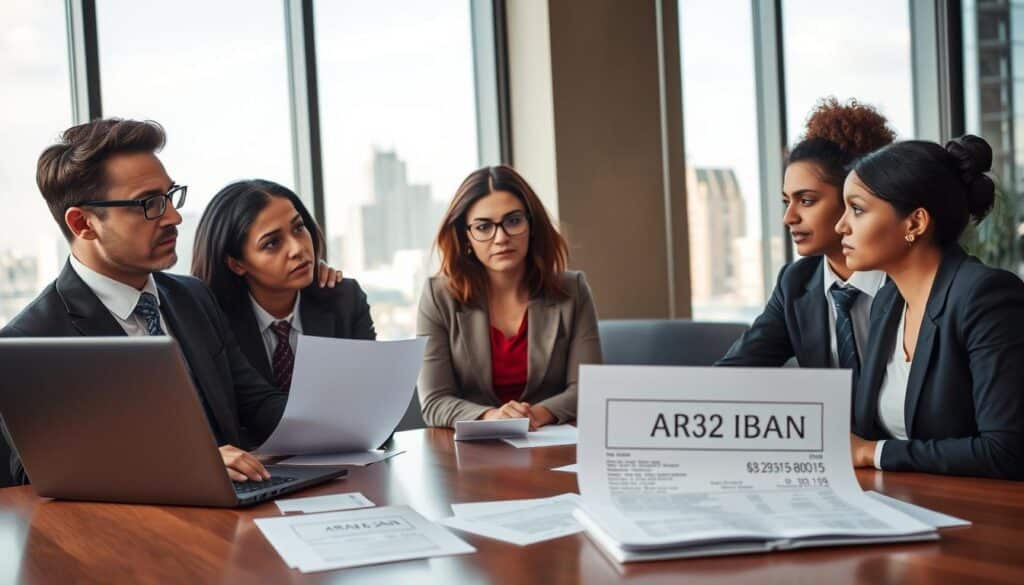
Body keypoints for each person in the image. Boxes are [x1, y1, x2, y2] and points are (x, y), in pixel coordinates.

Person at [0, 119, 282, 485]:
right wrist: (185, 464)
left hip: (237, 513)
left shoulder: (193, 297)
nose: (174, 217)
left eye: (170, 196)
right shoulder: (29, 341)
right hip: (130, 533)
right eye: (149, 203)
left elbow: (257, 403)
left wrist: (354, 417)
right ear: (83, 223)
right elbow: (39, 475)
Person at [838, 134, 1024, 479]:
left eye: (857, 209)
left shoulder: (986, 296)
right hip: (902, 502)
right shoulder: (887, 301)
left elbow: (1006, 451)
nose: (841, 226)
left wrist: (872, 452)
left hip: (978, 515)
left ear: (915, 223)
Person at [416, 165, 602, 429]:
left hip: (554, 444)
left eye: (513, 221)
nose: (501, 237)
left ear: (532, 225)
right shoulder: (438, 297)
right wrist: (493, 417)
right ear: (466, 236)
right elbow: (435, 401)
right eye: (483, 227)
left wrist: (537, 414)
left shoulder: (573, 290)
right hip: (472, 453)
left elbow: (588, 388)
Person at [718, 98, 894, 372]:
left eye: (807, 201)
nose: (789, 218)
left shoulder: (908, 279)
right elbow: (736, 371)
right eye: (787, 201)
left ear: (854, 199)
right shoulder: (796, 284)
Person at [192, 179, 375, 393]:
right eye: (272, 243)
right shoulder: (215, 322)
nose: (297, 248)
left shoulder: (344, 300)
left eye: (298, 228)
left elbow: (371, 398)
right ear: (236, 264)